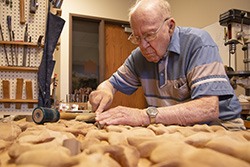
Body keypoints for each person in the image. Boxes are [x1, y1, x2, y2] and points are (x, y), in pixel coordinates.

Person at [89, 0, 246, 130]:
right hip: (178, 129)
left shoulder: (198, 43)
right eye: (137, 37)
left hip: (221, 129)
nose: (143, 46)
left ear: (170, 27)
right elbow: (110, 84)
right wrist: (105, 91)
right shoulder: (139, 56)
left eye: (150, 35)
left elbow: (208, 109)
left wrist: (142, 115)